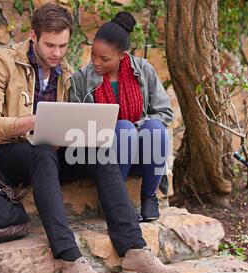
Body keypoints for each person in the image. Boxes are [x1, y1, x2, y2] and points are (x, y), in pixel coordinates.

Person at [0, 3, 179, 273]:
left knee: (99, 152)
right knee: (43, 153)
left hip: (49, 152)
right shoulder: (1, 62)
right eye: (50, 45)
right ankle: (70, 259)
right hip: (6, 151)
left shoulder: (66, 72)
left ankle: (133, 248)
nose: (57, 53)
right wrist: (32, 122)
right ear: (33, 35)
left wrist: (72, 133)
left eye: (63, 45)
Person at [70, 12, 173, 222]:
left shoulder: (143, 71)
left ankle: (148, 196)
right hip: (104, 156)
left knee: (154, 128)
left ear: (122, 56)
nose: (96, 63)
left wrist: (137, 128)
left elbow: (165, 112)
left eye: (104, 59)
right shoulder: (81, 79)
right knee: (124, 130)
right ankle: (115, 200)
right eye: (93, 55)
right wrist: (117, 130)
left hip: (141, 154)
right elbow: (76, 124)